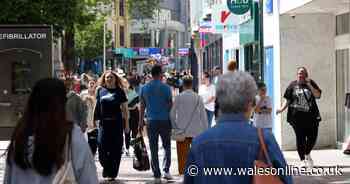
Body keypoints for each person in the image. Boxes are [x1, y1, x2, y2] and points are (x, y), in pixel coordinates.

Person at [184, 71, 292, 184]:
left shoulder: (199, 142)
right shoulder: (264, 139)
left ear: (219, 103)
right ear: (250, 104)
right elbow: (285, 179)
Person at [4, 78, 98, 184]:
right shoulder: (70, 135)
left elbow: (9, 178)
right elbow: (89, 178)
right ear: (62, 103)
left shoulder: (21, 135)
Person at [277, 67, 322, 168]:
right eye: (299, 73)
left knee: (312, 138)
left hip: (312, 117)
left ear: (306, 75)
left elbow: (318, 95)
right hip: (296, 118)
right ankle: (302, 160)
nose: (300, 75)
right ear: (297, 75)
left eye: (303, 73)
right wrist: (281, 109)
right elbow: (287, 100)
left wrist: (309, 84)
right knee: (300, 138)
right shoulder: (292, 85)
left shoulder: (311, 83)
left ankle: (307, 153)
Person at [139, 65, 173, 183]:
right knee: (166, 145)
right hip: (164, 120)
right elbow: (170, 104)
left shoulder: (144, 88)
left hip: (151, 121)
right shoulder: (166, 88)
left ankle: (156, 172)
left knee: (153, 147)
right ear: (160, 74)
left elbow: (142, 106)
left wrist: (140, 121)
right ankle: (166, 170)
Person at [94, 70, 130, 181]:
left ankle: (112, 173)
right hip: (104, 124)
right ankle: (106, 166)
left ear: (115, 79)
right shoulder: (100, 90)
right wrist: (93, 120)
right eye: (107, 77)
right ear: (104, 79)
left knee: (116, 149)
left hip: (117, 124)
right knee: (101, 148)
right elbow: (97, 106)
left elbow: (125, 109)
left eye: (111, 77)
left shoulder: (120, 91)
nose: (109, 79)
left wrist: (127, 125)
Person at [170, 75, 208, 175]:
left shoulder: (179, 97)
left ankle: (183, 175)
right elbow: (203, 116)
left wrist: (175, 127)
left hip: (182, 131)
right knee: (197, 156)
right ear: (192, 84)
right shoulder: (198, 97)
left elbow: (172, 114)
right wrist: (206, 131)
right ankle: (196, 173)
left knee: (182, 157)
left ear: (183, 84)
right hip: (197, 131)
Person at [80, 78, 98, 155]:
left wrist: (92, 99)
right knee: (84, 140)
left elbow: (98, 106)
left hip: (94, 121)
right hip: (85, 120)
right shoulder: (83, 93)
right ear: (87, 85)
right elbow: (79, 105)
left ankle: (92, 153)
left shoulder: (97, 94)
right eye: (90, 83)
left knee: (93, 141)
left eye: (93, 83)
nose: (91, 85)